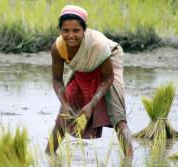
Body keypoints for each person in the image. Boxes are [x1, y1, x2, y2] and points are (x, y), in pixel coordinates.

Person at [45, 5, 133, 158]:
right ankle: (49, 155)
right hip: (83, 67)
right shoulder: (58, 48)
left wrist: (92, 105)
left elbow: (108, 78)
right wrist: (65, 104)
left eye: (76, 31)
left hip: (108, 62)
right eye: (65, 30)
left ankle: (129, 160)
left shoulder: (98, 45)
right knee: (64, 112)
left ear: (84, 31)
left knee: (117, 113)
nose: (70, 35)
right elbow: (57, 79)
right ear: (60, 31)